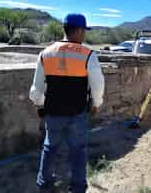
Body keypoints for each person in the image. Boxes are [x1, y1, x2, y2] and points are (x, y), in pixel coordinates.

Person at [29, 13, 105, 193]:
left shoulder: (45, 53)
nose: (84, 35)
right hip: (77, 113)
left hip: (53, 113)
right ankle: (78, 188)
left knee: (49, 148)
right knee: (78, 152)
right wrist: (96, 103)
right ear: (78, 30)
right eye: (84, 31)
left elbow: (35, 91)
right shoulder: (88, 55)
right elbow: (98, 85)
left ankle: (45, 186)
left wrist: (42, 103)